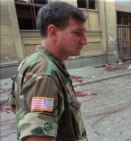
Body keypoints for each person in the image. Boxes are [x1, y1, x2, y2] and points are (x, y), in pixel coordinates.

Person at [9, 2, 88, 141]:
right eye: (77, 33)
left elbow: (16, 107)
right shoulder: (45, 74)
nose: (84, 41)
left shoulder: (31, 61)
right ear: (53, 32)